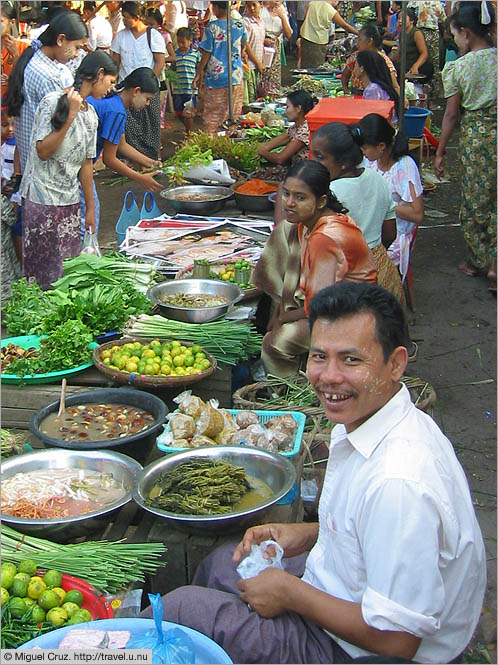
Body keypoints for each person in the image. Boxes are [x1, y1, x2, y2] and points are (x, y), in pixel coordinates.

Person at [141, 281, 486, 665]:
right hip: (348, 597)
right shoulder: (375, 419)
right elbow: (373, 530)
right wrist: (309, 534)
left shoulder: (399, 482)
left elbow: (397, 642)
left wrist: (291, 593)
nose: (328, 377)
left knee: (182, 611)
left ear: (396, 364)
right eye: (319, 356)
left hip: (362, 651)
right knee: (225, 562)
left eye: (351, 360)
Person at [252, 159, 377, 377]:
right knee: (286, 230)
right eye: (286, 194)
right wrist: (281, 306)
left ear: (321, 202)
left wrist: (283, 319)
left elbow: (320, 306)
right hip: (331, 302)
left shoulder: (324, 238)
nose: (290, 203)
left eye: (300, 198)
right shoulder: (310, 223)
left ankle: (286, 393)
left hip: (348, 314)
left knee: (275, 343)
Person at [18, 51, 117, 290]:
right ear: (99, 75)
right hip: (41, 201)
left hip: (70, 203)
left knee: (67, 274)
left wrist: (90, 209)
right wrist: (71, 115)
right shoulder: (53, 102)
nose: (111, 88)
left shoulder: (91, 115)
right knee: (42, 276)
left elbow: (86, 164)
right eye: (110, 81)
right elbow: (43, 150)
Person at [435, 1, 496, 293]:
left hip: (476, 138)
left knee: (476, 198)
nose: (454, 40)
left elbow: (451, 115)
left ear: (467, 33)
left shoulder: (460, 67)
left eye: (455, 34)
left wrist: (440, 149)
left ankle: (478, 261)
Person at [310, 122, 406, 309]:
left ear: (344, 162)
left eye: (320, 157)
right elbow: (389, 233)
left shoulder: (328, 194)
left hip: (346, 277)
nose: (314, 162)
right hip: (382, 273)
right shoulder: (377, 179)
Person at [5, 10, 88, 172]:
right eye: (77, 47)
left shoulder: (33, 60)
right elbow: (58, 131)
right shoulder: (48, 75)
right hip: (44, 172)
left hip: (30, 165)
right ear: (61, 40)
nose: (77, 54)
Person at [83, 67, 162, 237]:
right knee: (90, 216)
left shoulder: (114, 101)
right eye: (147, 99)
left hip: (79, 163)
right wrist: (140, 178)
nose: (147, 104)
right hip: (81, 166)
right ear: (136, 91)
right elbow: (110, 160)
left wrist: (149, 162)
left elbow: (121, 145)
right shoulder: (116, 110)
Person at [359, 113, 424, 283]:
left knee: (359, 261)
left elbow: (417, 214)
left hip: (397, 233)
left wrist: (382, 203)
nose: (362, 152)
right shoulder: (371, 162)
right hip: (375, 224)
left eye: (365, 148)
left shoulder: (404, 166)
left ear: (381, 146)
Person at [110, 1, 166, 160]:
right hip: (127, 89)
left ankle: (153, 158)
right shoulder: (121, 36)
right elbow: (115, 62)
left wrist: (148, 83)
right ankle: (132, 159)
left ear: (138, 17)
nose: (124, 21)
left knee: (151, 125)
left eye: (126, 17)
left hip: (147, 89)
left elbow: (159, 62)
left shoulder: (153, 35)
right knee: (128, 126)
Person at [193, 1, 246, 134]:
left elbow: (206, 53)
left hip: (216, 78)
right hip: (236, 76)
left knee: (212, 116)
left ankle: (212, 145)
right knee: (231, 114)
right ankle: (229, 143)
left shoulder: (212, 27)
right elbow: (244, 45)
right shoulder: (240, 24)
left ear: (216, 7)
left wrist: (198, 73)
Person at [252, 89, 314, 182]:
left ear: (298, 109)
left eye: (287, 107)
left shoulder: (305, 130)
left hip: (304, 176)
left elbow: (280, 158)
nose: (285, 111)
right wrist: (253, 148)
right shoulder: (295, 128)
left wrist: (261, 151)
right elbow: (269, 145)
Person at [341, 22, 399, 96]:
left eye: (359, 39)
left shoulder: (382, 60)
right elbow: (345, 75)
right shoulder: (355, 56)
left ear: (369, 41)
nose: (357, 43)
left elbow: (395, 86)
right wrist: (346, 91)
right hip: (356, 94)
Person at [299, 1, 358, 69]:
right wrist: (358, 33)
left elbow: (305, 18)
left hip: (305, 37)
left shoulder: (312, 3)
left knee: (305, 63)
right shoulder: (330, 10)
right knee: (316, 67)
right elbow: (345, 25)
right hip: (318, 41)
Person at [408, 1, 445, 100]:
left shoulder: (415, 2)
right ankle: (434, 97)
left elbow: (409, 12)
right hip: (433, 35)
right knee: (434, 65)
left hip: (419, 31)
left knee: (421, 61)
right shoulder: (438, 4)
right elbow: (442, 21)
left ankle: (422, 94)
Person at [390, 8, 434, 84]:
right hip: (405, 65)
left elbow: (424, 54)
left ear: (411, 21)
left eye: (403, 18)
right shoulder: (402, 34)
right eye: (398, 19)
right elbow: (398, 53)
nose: (400, 21)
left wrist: (415, 66)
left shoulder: (416, 33)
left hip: (418, 66)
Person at [354, 50, 400, 121]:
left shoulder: (372, 89)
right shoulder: (377, 86)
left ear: (362, 68)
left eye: (356, 65)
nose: (354, 69)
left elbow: (371, 118)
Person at [259, 1, 292, 95]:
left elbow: (289, 34)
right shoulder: (262, 10)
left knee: (274, 75)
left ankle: (273, 96)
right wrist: (263, 39)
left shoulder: (283, 12)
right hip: (261, 45)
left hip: (275, 46)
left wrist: (282, 17)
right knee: (262, 74)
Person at [171, 27, 200, 134]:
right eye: (178, 42)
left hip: (190, 90)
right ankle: (188, 129)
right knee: (178, 112)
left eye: (183, 42)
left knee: (189, 113)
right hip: (178, 90)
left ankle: (190, 134)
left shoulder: (195, 55)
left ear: (190, 41)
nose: (180, 45)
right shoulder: (175, 55)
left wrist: (198, 85)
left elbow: (199, 70)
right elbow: (173, 69)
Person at [1, 4, 30, 102]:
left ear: (12, 22)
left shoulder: (23, 47)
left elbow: (28, 78)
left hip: (13, 103)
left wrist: (15, 54)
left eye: (1, 21)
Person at [242, 1, 265, 104]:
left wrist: (263, 62)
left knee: (258, 94)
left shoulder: (261, 22)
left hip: (258, 64)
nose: (251, 8)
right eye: (248, 5)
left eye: (254, 5)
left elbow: (262, 43)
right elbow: (246, 45)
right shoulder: (245, 22)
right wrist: (257, 63)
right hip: (250, 65)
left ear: (261, 4)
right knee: (250, 96)